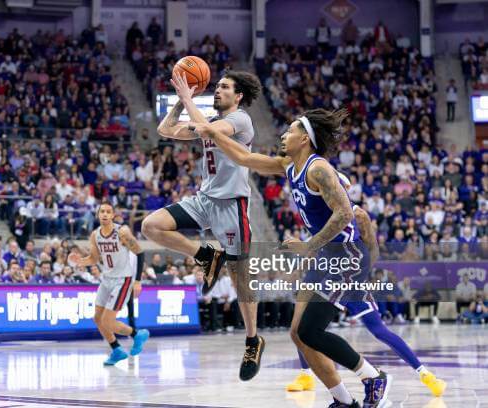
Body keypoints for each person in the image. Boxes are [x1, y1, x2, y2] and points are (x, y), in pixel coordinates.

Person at [192, 109, 390, 407]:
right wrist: (213, 134)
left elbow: (346, 213)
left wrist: (309, 246)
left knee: (311, 330)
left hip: (344, 256)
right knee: (298, 334)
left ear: (305, 139)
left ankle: (372, 376)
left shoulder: (318, 168)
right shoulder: (289, 164)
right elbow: (246, 159)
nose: (284, 135)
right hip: (324, 256)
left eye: (290, 131)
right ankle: (343, 400)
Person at [142, 69, 265, 381]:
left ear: (238, 96)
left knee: (240, 278)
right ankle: (207, 255)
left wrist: (187, 97)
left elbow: (208, 131)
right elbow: (165, 128)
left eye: (225, 87)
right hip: (205, 199)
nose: (218, 90)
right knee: (151, 226)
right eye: (218, 86)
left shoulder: (241, 120)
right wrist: (183, 103)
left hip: (232, 204)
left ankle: (252, 340)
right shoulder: (209, 120)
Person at [285, 173, 446, 397]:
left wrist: (357, 276)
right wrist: (299, 268)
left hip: (349, 277)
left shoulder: (357, 214)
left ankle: (425, 374)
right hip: (323, 270)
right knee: (300, 325)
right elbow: (318, 247)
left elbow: (372, 251)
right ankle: (306, 374)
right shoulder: (317, 211)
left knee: (378, 330)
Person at [69, 202, 149, 365]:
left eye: (108, 212)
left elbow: (140, 253)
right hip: (106, 279)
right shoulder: (95, 234)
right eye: (102, 211)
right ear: (98, 215)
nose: (105, 214)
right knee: (97, 318)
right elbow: (94, 259)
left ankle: (136, 334)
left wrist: (138, 281)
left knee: (108, 321)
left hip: (123, 279)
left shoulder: (122, 231)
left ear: (113, 215)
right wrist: (80, 261)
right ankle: (117, 350)